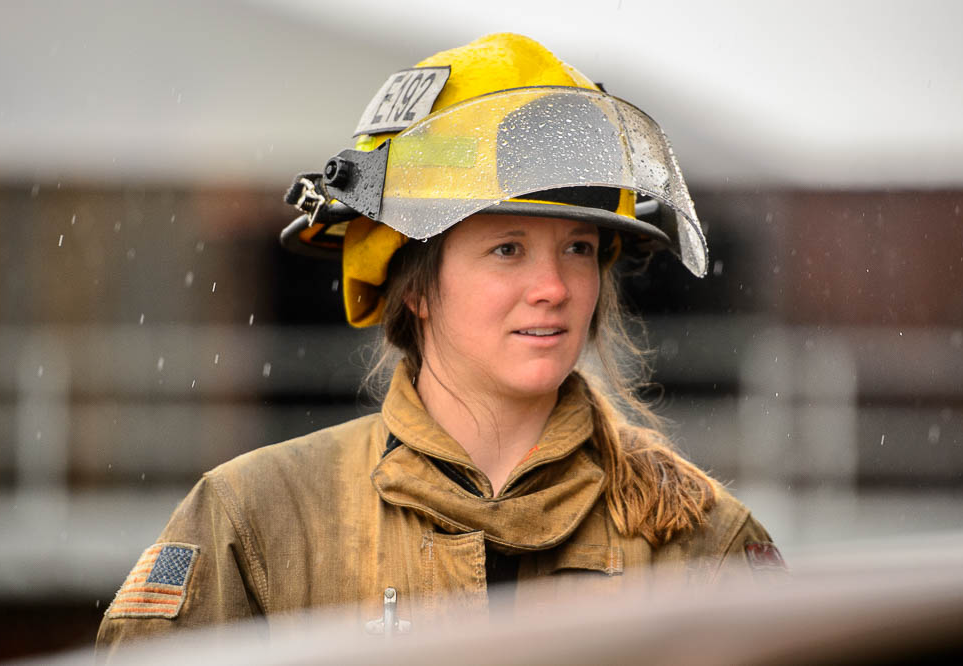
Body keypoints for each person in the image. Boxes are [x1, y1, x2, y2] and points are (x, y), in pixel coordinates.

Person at [96, 33, 783, 654]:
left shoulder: (702, 543)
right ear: (416, 289)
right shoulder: (254, 522)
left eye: (578, 248)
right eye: (507, 249)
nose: (554, 286)